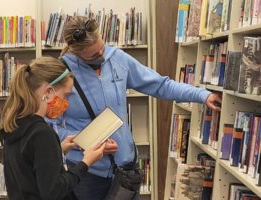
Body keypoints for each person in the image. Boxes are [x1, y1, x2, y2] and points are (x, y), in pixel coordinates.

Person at [45, 16, 222, 200]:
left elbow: (161, 85)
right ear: (77, 54)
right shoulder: (62, 75)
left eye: (102, 48)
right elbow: (50, 125)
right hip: (87, 174)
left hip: (125, 170)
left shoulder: (117, 59)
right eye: (94, 55)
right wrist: (85, 144)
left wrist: (202, 95)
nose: (102, 56)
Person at [0, 56, 106, 200]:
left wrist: (58, 150)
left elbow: (27, 164)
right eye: (66, 95)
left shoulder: (15, 125)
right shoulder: (42, 133)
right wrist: (86, 163)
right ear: (48, 92)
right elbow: (53, 192)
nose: (66, 102)